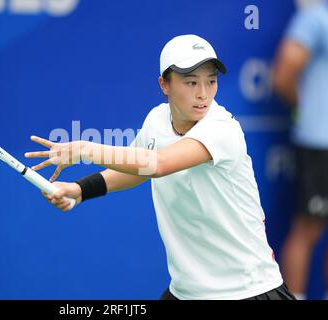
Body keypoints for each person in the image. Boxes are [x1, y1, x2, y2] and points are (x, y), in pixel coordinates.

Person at [25, 34, 296, 300]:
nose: (203, 94)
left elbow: (158, 164)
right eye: (191, 82)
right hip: (187, 292)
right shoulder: (157, 119)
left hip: (248, 291)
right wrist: (81, 189)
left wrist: (86, 149)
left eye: (211, 82)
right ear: (164, 85)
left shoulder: (222, 129)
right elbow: (135, 167)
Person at [272, 0, 328, 300]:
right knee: (308, 229)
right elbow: (283, 75)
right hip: (320, 144)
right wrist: (302, 111)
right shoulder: (315, 19)